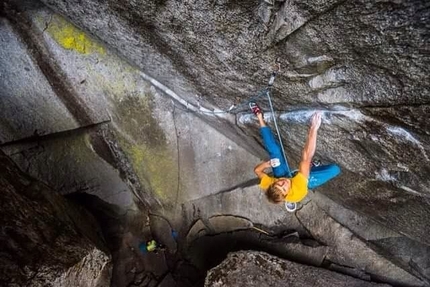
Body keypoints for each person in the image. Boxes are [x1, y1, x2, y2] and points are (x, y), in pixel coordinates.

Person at [250, 102, 340, 211]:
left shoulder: (271, 183)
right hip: (300, 183)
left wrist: (267, 164)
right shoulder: (299, 190)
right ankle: (307, 172)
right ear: (287, 193)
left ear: (273, 184)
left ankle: (259, 117)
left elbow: (257, 171)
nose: (284, 183)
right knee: (334, 169)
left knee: (274, 152)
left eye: (279, 184)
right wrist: (314, 129)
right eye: (284, 189)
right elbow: (306, 157)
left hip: (282, 174)